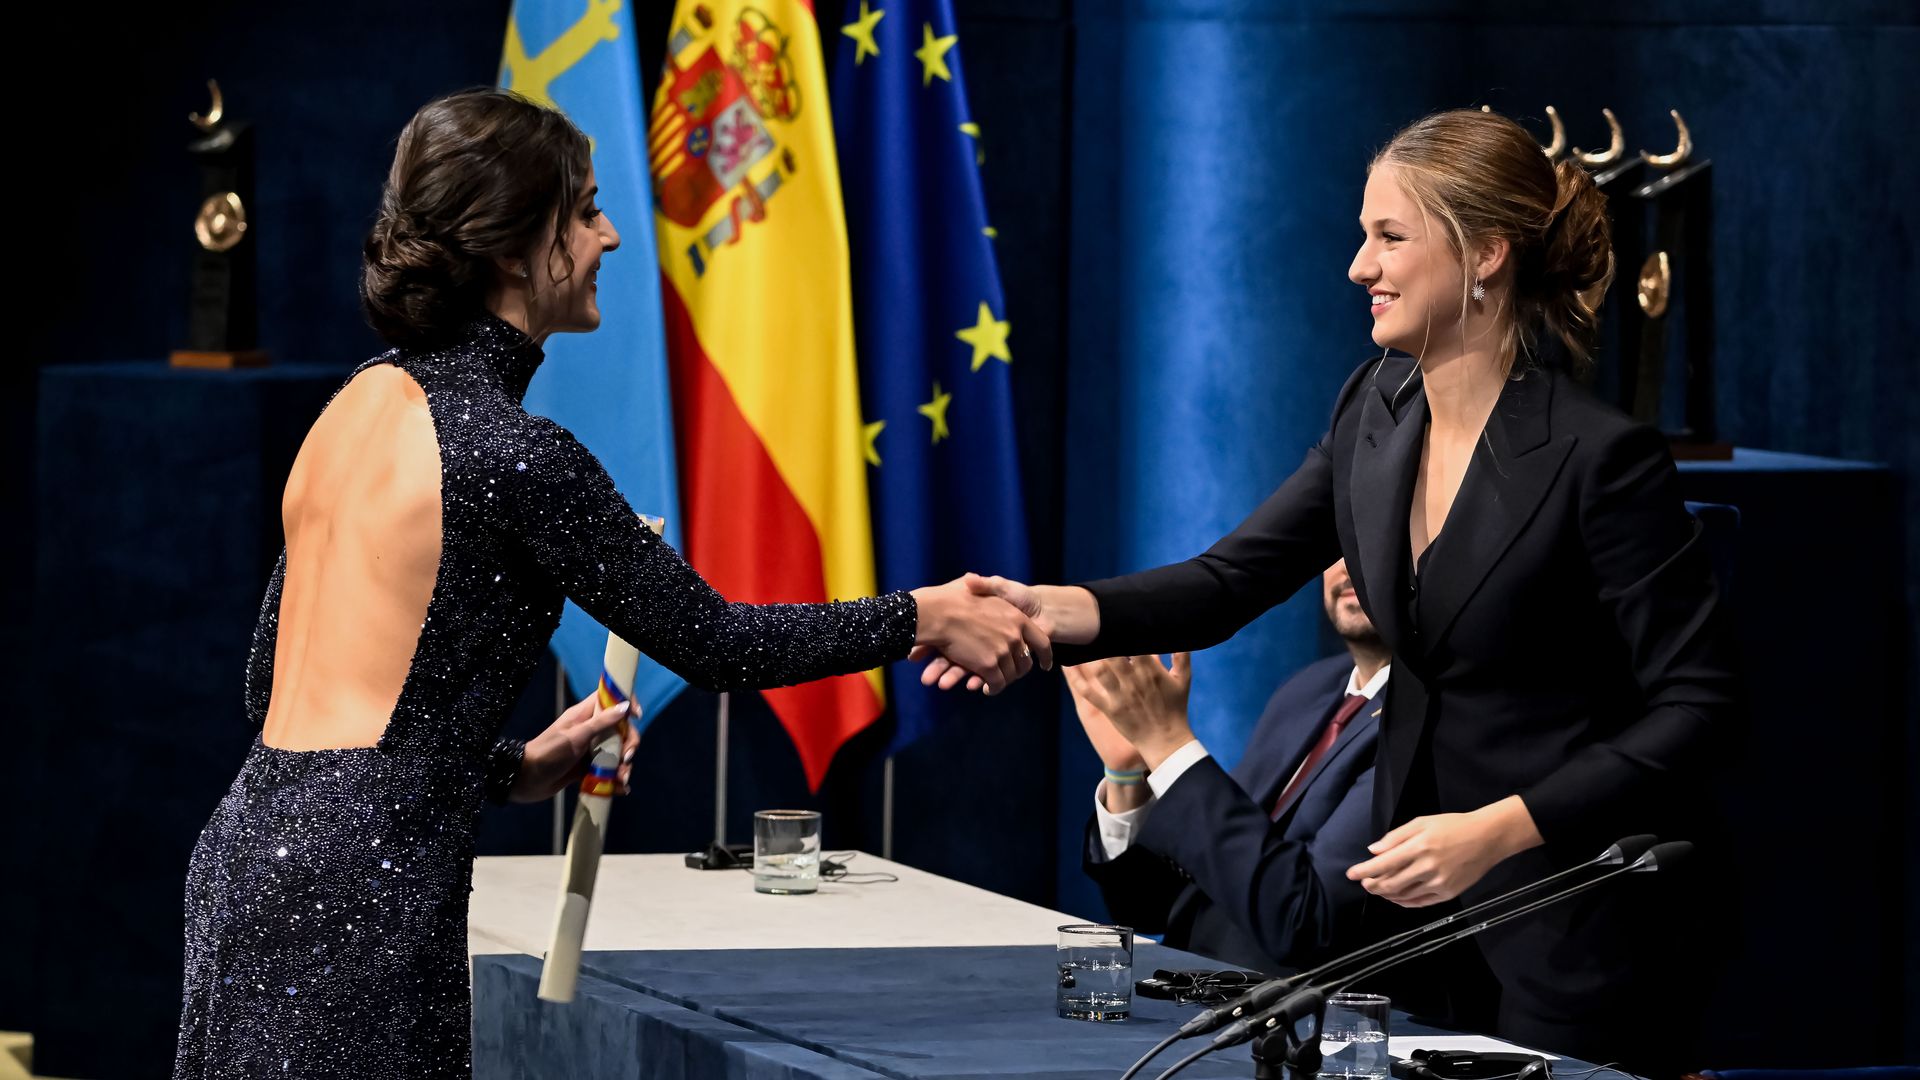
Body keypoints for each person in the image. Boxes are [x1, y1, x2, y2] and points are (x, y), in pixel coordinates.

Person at [172, 88, 1045, 1080]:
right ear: (512, 249)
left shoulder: (352, 407)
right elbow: (721, 645)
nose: (613, 236)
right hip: (361, 893)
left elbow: (272, 698)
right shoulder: (515, 455)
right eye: (585, 210)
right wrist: (920, 616)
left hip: (244, 861)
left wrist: (508, 766)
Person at [930, 109, 1736, 1070]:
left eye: (1391, 237)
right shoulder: (1375, 405)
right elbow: (1230, 580)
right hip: (1407, 943)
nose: (1361, 266)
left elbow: (1703, 707)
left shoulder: (1602, 458)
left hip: (1563, 938)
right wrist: (1048, 611)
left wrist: (1497, 832)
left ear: (1485, 254)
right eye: (1366, 236)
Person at [1071, 560, 1389, 973]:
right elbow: (1156, 906)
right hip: (1188, 992)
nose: (1346, 564)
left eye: (1369, 534)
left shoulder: (1428, 721)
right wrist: (1129, 774)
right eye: (1337, 542)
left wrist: (1166, 743)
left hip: (1306, 1022)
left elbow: (1305, 922)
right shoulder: (1307, 689)